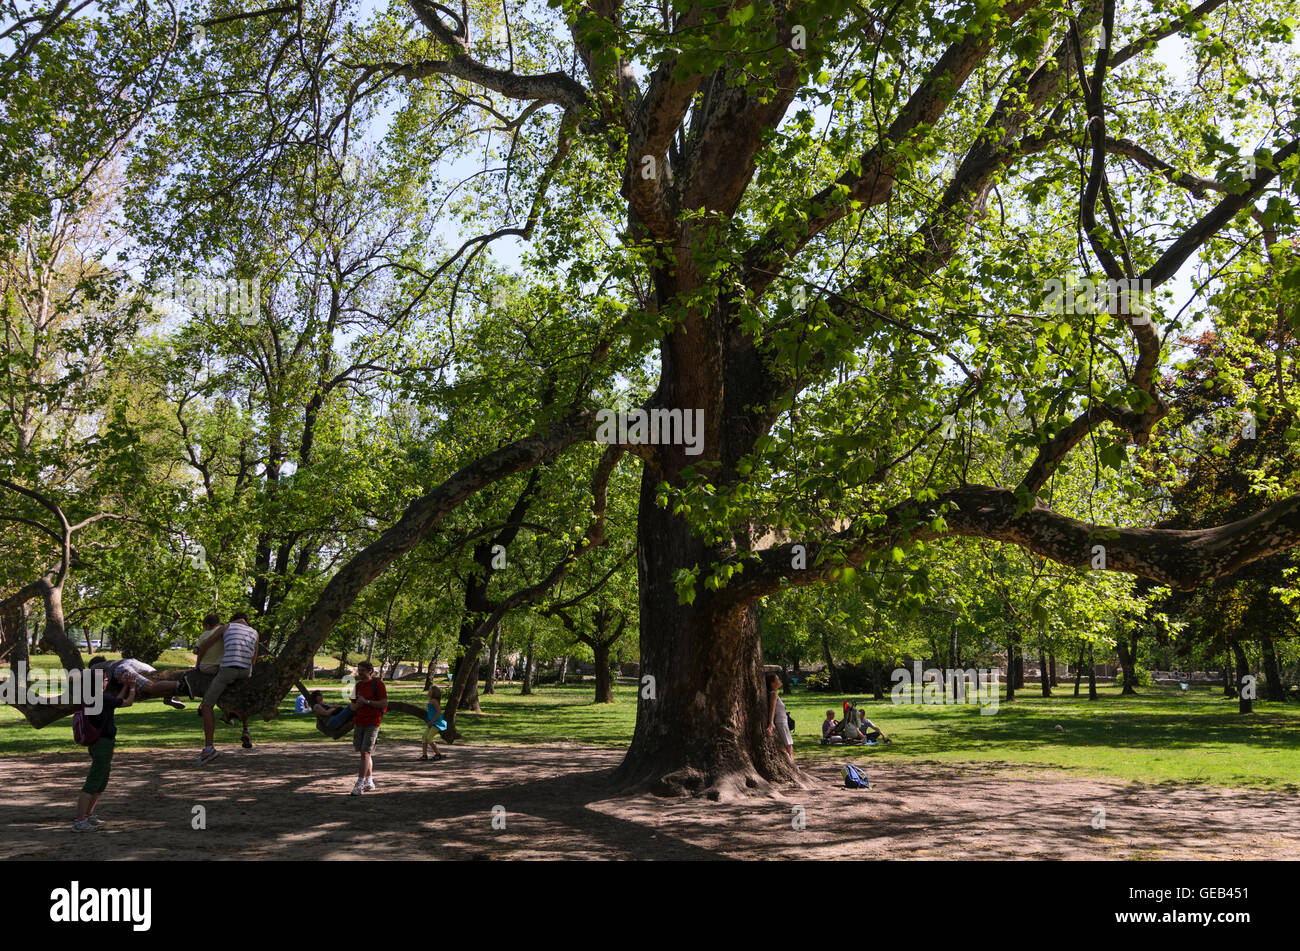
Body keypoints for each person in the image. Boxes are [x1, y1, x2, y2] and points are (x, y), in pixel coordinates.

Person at [74, 666, 136, 831]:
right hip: (102, 743)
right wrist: (133, 687)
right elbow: (127, 702)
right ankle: (80, 821)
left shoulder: (94, 697)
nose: (107, 681)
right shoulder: (100, 698)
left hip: (101, 743)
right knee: (93, 782)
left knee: (101, 781)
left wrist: (124, 687)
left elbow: (116, 702)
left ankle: (88, 816)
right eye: (105, 679)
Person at [195, 611, 259, 766]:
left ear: (232, 619)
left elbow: (206, 645)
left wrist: (198, 665)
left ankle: (209, 748)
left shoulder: (227, 627)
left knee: (207, 705)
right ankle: (241, 725)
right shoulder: (255, 633)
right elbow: (254, 659)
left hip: (228, 669)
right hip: (246, 672)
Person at [86, 656, 184, 709]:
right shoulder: (110, 663)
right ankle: (172, 695)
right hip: (133, 662)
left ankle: (179, 684)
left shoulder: (94, 667)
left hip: (122, 668)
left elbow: (80, 674)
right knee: (158, 676)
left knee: (151, 687)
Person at [350, 660, 386, 795]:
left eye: (362, 671)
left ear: (370, 671)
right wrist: (358, 705)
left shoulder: (378, 684)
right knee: (364, 753)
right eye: (358, 670)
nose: (359, 673)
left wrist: (367, 702)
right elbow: (352, 706)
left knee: (365, 753)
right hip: (359, 722)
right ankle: (370, 781)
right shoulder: (357, 686)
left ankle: (359, 783)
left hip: (373, 722)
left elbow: (383, 703)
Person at [764, 672, 794, 762]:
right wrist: (771, 723)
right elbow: (772, 708)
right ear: (772, 683)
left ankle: (792, 762)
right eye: (777, 679)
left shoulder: (775, 693)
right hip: (781, 722)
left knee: (789, 743)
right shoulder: (773, 694)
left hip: (783, 721)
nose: (780, 681)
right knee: (788, 744)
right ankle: (791, 762)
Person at [421, 685, 445, 762]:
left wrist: (432, 721)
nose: (428, 692)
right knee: (424, 737)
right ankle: (424, 755)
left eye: (430, 690)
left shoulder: (434, 701)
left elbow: (439, 712)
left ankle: (438, 754)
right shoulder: (431, 700)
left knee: (429, 738)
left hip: (437, 723)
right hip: (431, 723)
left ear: (434, 693)